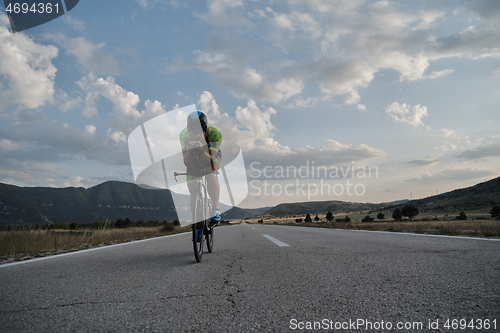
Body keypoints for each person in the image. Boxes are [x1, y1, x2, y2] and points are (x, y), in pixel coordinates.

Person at [179, 111, 222, 235]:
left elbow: (211, 159)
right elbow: (186, 162)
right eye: (193, 132)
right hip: (193, 158)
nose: (196, 135)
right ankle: (197, 226)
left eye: (199, 131)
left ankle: (215, 209)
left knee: (211, 173)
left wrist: (201, 149)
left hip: (209, 155)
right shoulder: (184, 135)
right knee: (193, 193)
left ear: (205, 128)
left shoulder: (215, 134)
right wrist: (188, 151)